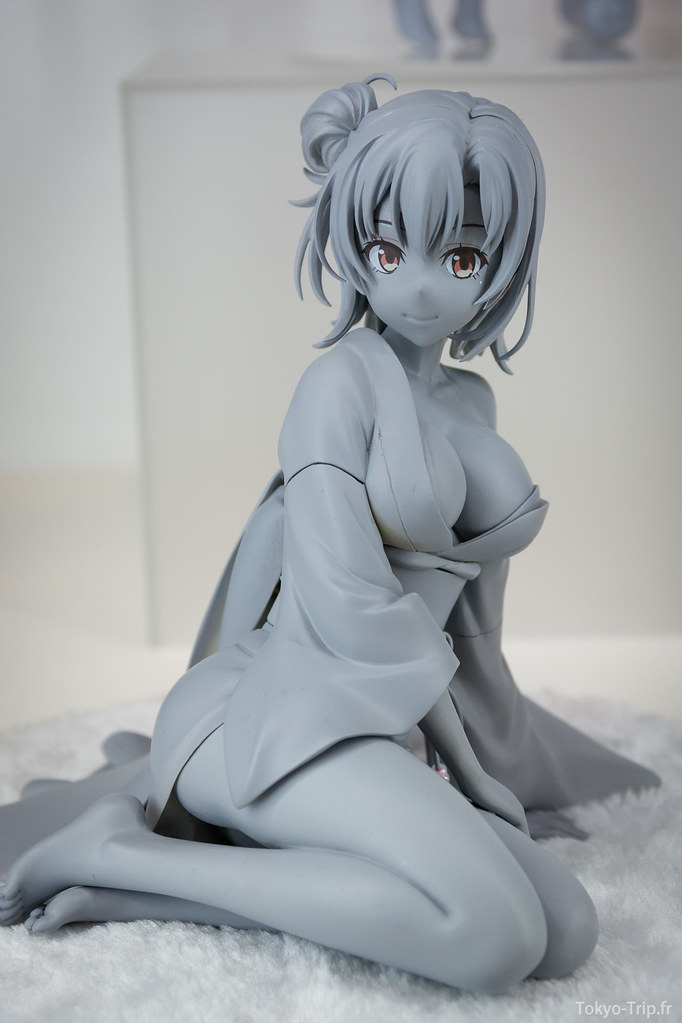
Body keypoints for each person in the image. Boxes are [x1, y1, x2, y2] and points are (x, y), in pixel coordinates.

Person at [0, 76, 659, 993]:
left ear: (501, 262)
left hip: (379, 721)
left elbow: (473, 632)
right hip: (278, 710)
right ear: (354, 243)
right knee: (493, 936)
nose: (420, 285)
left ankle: (141, 878)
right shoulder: (336, 386)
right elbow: (349, 607)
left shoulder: (472, 401)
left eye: (461, 256)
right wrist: (464, 770)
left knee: (567, 929)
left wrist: (495, 763)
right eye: (389, 249)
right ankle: (118, 853)